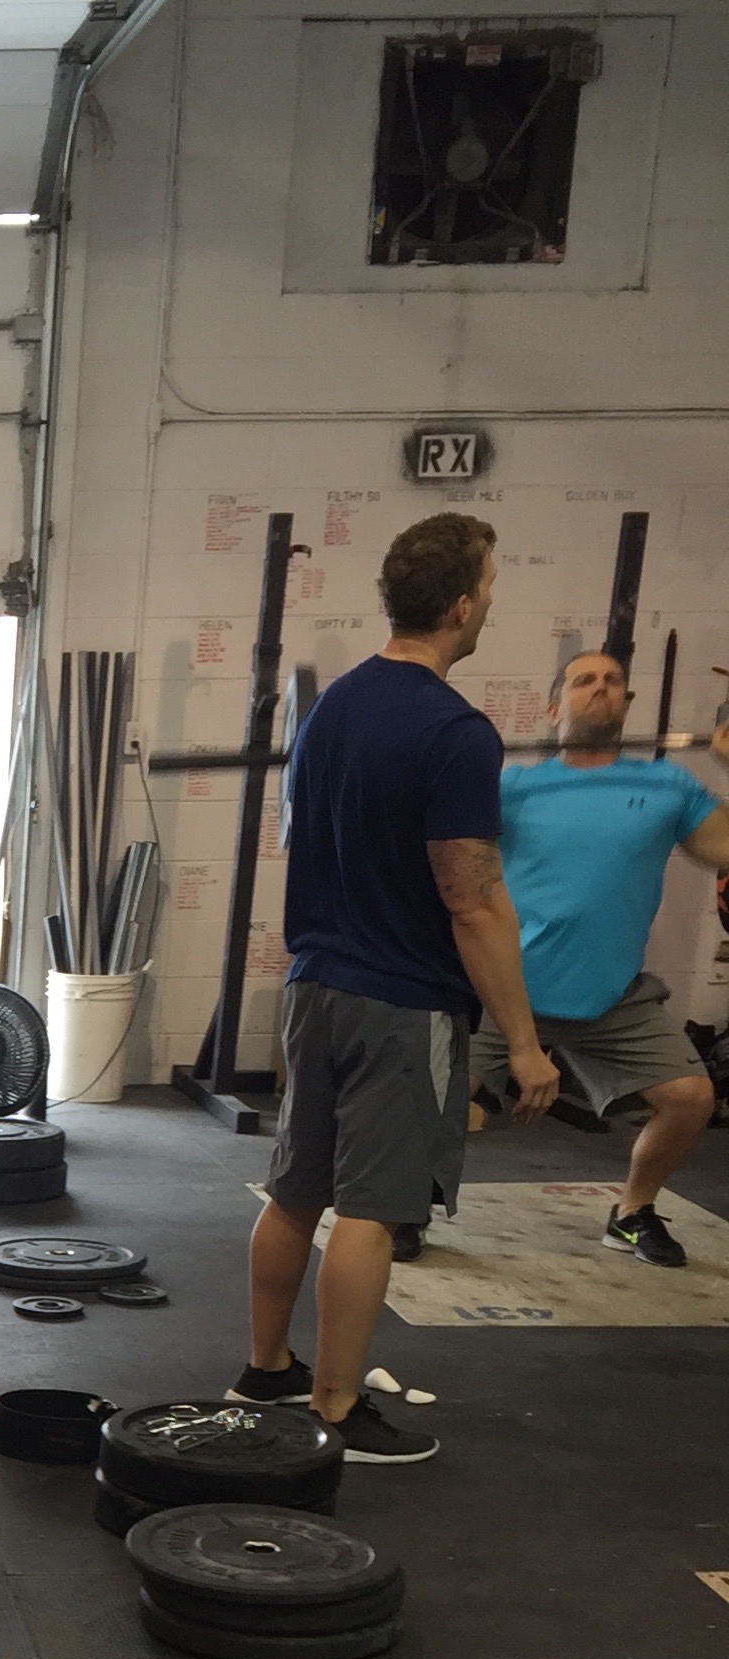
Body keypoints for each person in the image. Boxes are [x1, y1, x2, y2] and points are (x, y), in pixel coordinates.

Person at [234, 512, 560, 1464]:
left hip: (314, 987)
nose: (490, 600)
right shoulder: (454, 732)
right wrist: (524, 1043)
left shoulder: (331, 709)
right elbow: (473, 900)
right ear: (460, 606)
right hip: (402, 1004)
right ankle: (335, 1410)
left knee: (294, 1192)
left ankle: (265, 1370)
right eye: (489, 586)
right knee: (372, 1208)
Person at [470, 651, 729, 1265]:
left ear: (628, 704)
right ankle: (407, 1205)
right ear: (554, 709)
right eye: (583, 680)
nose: (600, 689)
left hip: (611, 998)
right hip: (507, 991)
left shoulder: (666, 785)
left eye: (613, 681)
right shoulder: (513, 788)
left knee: (691, 1098)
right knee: (437, 1099)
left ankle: (632, 1213)